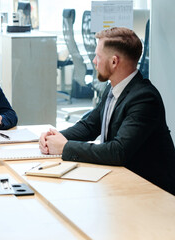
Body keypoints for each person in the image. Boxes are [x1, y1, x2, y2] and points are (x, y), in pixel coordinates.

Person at [40, 27, 175, 195]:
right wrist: (54, 138)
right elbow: (90, 126)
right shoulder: (112, 89)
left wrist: (65, 147)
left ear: (114, 62)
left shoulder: (144, 99)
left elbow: (118, 151)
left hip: (151, 192)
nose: (94, 62)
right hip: (123, 182)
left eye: (98, 56)